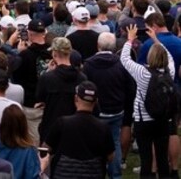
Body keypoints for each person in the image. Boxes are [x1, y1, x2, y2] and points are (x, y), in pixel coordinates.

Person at [121, 23, 175, 178]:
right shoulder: (169, 72)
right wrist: (156, 40)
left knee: (146, 159)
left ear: (150, 57)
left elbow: (124, 59)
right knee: (162, 157)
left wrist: (129, 40)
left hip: (143, 120)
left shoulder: (142, 72)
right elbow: (169, 56)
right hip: (163, 119)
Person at [83, 32, 134, 179]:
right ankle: (115, 175)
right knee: (114, 142)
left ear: (98, 45)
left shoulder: (89, 64)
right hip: (115, 110)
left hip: (97, 111)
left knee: (94, 143)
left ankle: (96, 173)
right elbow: (130, 88)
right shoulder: (121, 64)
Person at [44, 81, 114, 178]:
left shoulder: (62, 123)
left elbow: (46, 148)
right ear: (96, 102)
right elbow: (110, 157)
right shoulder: (103, 127)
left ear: (76, 98)